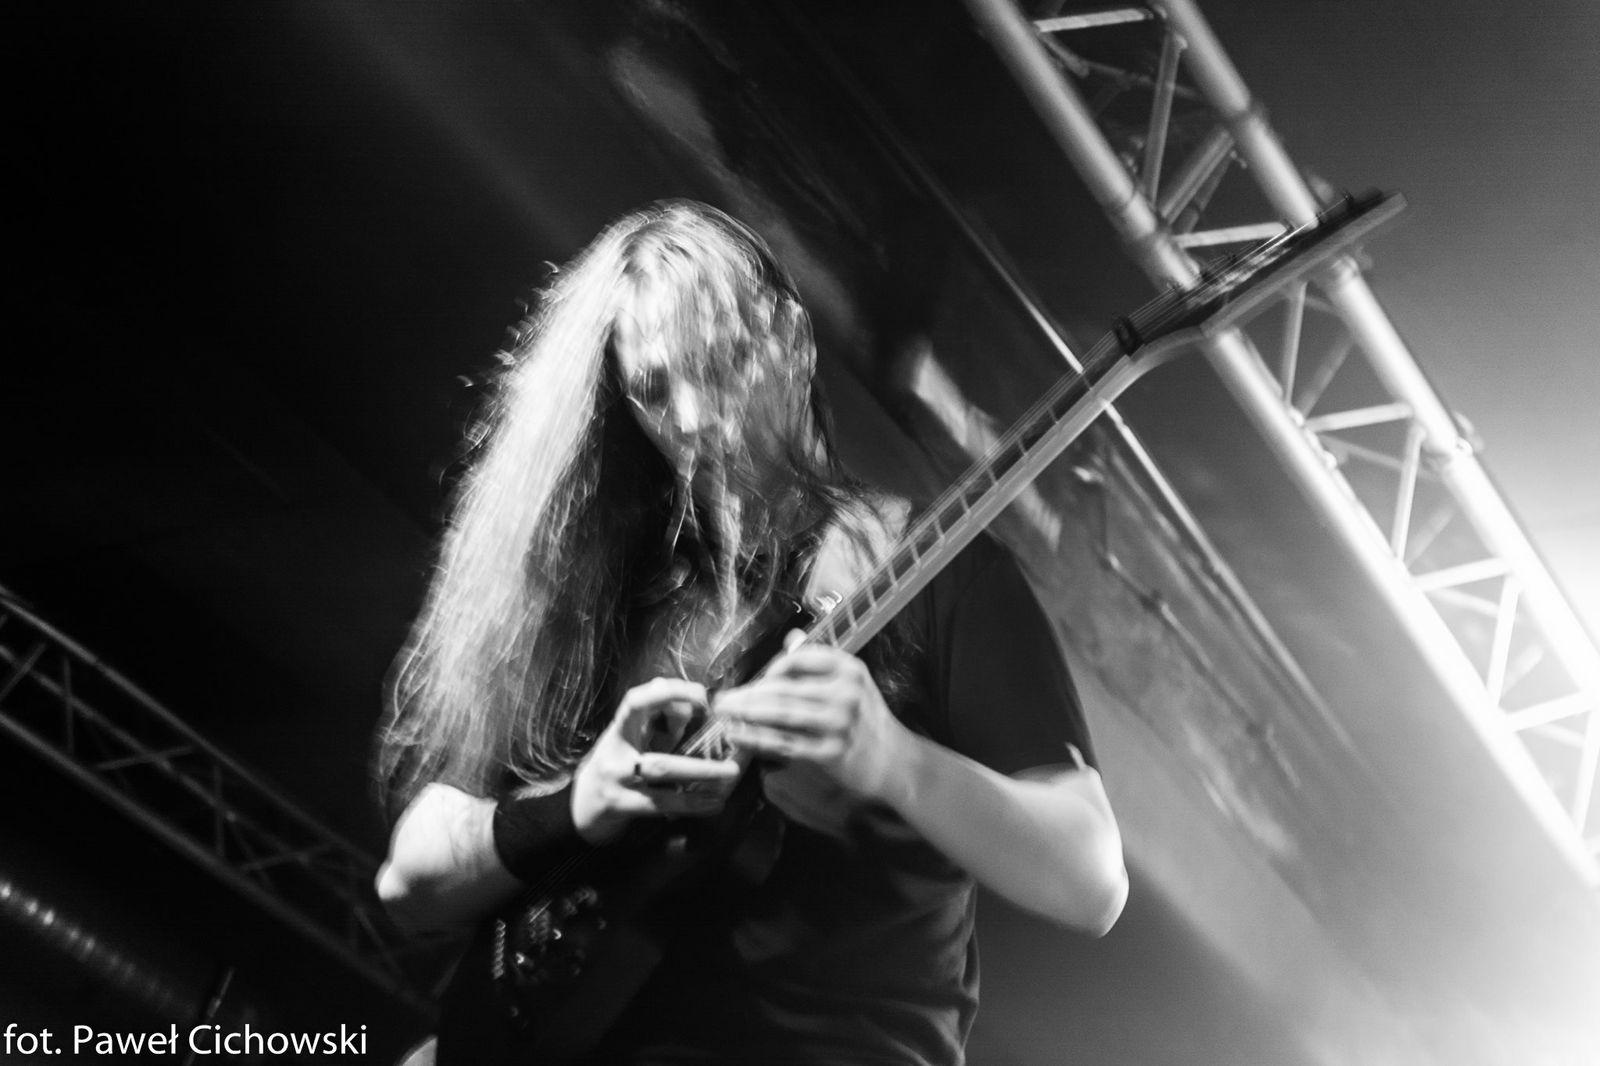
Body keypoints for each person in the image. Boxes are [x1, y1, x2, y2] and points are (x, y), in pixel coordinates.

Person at [374, 200, 1126, 1065]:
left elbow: (1091, 876)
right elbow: (410, 877)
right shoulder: (613, 599)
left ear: (791, 339)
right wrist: (577, 805)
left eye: (721, 363)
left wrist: (896, 761)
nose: (694, 416)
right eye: (655, 388)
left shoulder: (935, 570)